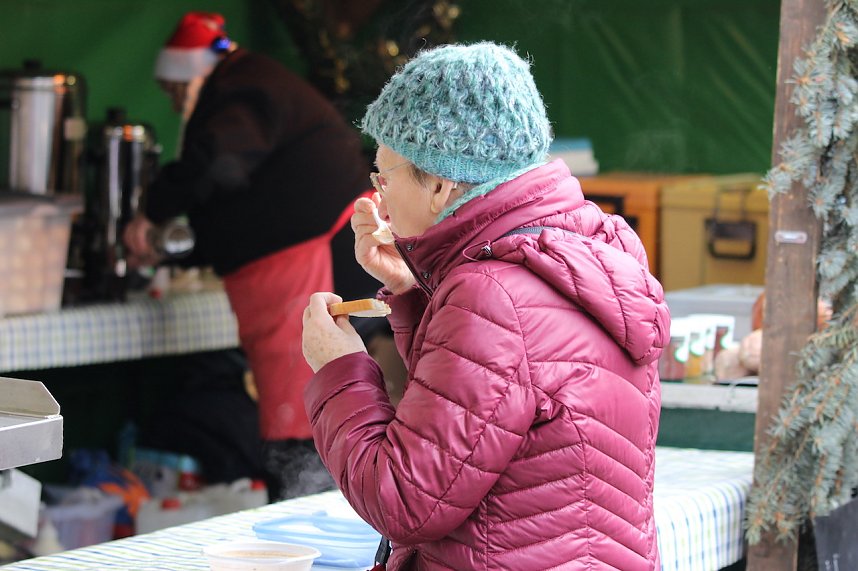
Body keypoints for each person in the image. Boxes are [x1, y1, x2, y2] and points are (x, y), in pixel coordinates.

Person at [301, 42, 671, 569]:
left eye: (384, 176)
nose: (378, 196)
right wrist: (414, 290)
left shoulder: (491, 294)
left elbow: (404, 500)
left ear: (440, 184)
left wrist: (338, 368)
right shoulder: (591, 248)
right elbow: (482, 420)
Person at [123, 11, 380, 500]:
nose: (176, 104)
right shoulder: (247, 82)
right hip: (300, 257)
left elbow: (219, 163)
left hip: (313, 258)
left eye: (175, 92)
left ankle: (305, 514)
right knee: (307, 400)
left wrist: (153, 208)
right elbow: (237, 194)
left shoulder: (242, 86)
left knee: (304, 410)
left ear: (190, 76)